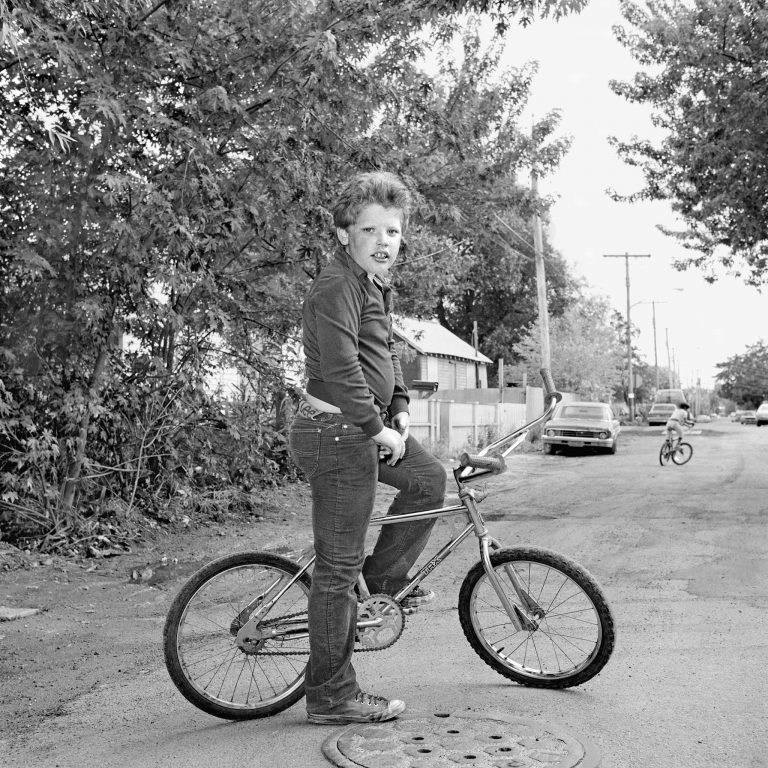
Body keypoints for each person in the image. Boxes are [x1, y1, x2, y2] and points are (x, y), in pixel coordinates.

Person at [289, 171, 447, 726]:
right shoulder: (337, 286)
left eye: (393, 231)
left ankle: (379, 589)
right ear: (344, 234)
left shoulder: (373, 283)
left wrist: (398, 405)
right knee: (337, 570)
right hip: (336, 435)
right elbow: (341, 369)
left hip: (365, 428)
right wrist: (377, 428)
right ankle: (331, 697)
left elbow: (384, 353)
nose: (384, 241)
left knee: (428, 481)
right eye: (370, 230)